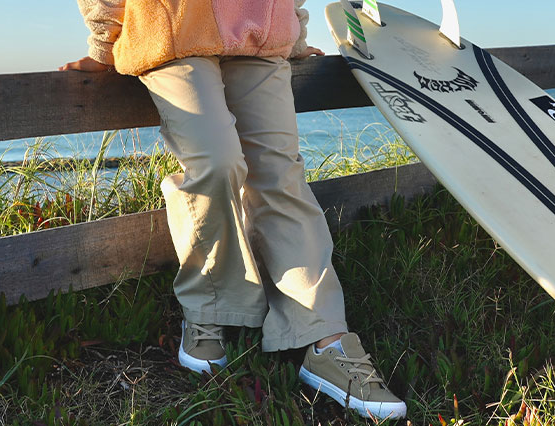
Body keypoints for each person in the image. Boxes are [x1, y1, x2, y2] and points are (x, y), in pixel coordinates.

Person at [63, 0, 405, 419]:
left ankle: (326, 339)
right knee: (215, 162)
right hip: (173, 28)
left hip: (261, 29)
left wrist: (294, 31)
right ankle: (207, 309)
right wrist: (104, 43)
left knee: (281, 175)